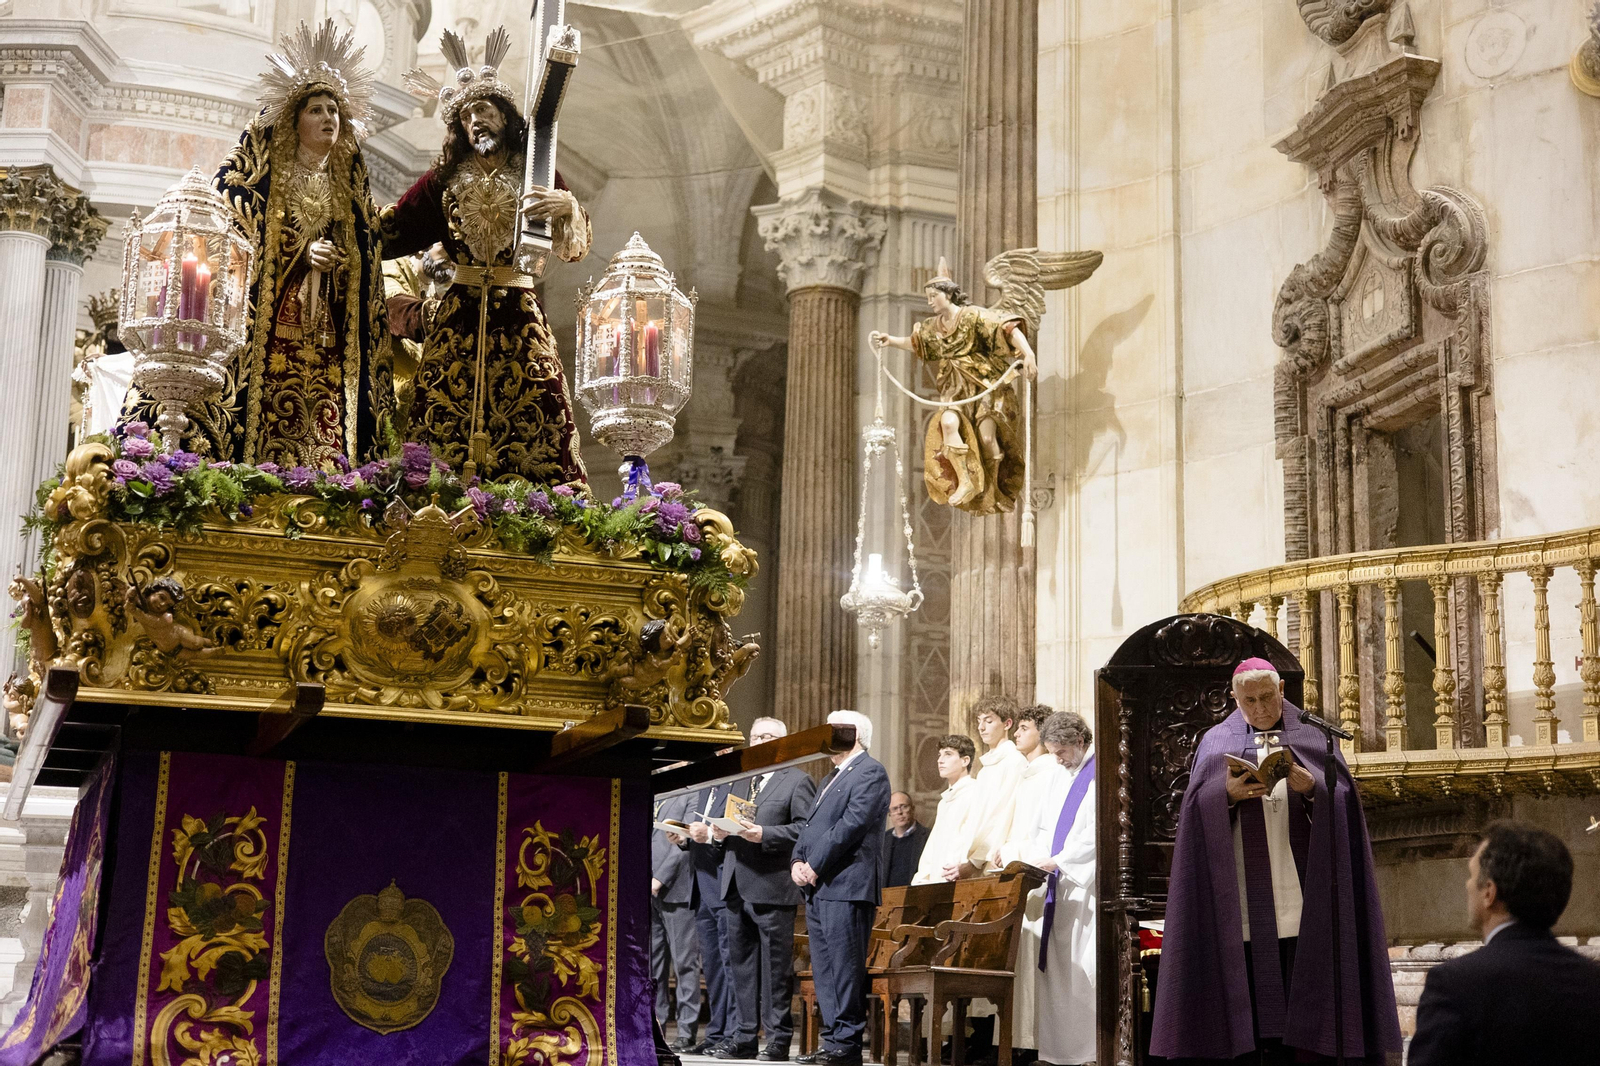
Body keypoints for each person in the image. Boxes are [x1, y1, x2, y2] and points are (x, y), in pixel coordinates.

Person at [1150, 658, 1401, 1063]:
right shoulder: (1216, 741)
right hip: (1244, 896)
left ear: (1282, 689)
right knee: (1250, 990)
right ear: (1234, 698)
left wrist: (1314, 788)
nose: (1261, 708)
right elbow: (1195, 813)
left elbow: (1345, 805)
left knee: (1304, 989)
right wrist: (1225, 796)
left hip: (1302, 890)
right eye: (1249, 701)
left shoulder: (1314, 737)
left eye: (1267, 697)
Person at [385, 26, 591, 482]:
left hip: (518, 307)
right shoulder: (443, 179)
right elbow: (393, 229)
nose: (475, 120)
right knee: (439, 413)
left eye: (484, 109)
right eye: (465, 116)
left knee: (541, 403)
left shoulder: (535, 167)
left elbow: (575, 248)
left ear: (505, 116)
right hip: (457, 312)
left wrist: (567, 207)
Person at [200, 19, 394, 465]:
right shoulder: (264, 181)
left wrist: (342, 263)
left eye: (333, 110)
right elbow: (231, 223)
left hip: (329, 336)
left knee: (327, 421)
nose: (328, 117)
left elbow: (368, 260)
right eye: (316, 109)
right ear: (294, 120)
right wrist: (300, 251)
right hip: (269, 332)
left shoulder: (350, 190)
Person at [1408, 820, 1600, 1066]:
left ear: (1489, 892)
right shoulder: (1592, 981)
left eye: (1471, 875)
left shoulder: (1454, 984)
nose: (1467, 885)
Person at [711, 718, 818, 1062]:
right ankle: (744, 1035)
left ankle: (778, 1039)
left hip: (772, 885)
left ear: (782, 743)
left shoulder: (797, 780)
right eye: (756, 736)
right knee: (740, 965)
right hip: (735, 885)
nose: (760, 741)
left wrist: (765, 834)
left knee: (775, 970)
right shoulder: (742, 781)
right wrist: (718, 834)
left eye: (769, 736)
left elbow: (805, 828)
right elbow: (721, 824)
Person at [791, 710, 891, 1066]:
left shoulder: (871, 772)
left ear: (854, 734)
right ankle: (833, 1041)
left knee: (845, 967)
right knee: (826, 969)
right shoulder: (830, 778)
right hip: (820, 885)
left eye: (832, 730)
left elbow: (851, 825)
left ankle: (846, 1045)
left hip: (847, 883)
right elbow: (810, 828)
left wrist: (814, 863)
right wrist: (797, 862)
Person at [992, 704, 1064, 1059]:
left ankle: (1034, 1042)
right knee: (1020, 956)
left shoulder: (1052, 771)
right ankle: (1018, 1041)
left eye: (1024, 727)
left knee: (1037, 955)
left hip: (1038, 872)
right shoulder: (1029, 772)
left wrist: (1018, 851)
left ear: (1042, 730)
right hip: (1019, 867)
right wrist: (1004, 848)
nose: (1017, 734)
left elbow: (1046, 829)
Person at [1031, 711, 1096, 1066]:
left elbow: (1096, 830)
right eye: (1053, 752)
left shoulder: (1099, 771)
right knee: (1058, 968)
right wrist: (1038, 857)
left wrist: (1063, 860)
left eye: (1061, 751)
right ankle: (1056, 1052)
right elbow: (1044, 825)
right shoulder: (1060, 774)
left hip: (1084, 886)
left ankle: (1086, 1051)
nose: (1057, 759)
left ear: (1081, 741)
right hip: (1057, 883)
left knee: (1082, 968)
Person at [684, 778, 738, 1053]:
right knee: (713, 968)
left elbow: (733, 833)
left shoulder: (737, 786)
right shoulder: (706, 787)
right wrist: (684, 838)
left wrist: (711, 835)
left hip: (723, 884)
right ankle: (716, 1033)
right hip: (701, 886)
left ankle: (732, 1033)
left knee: (730, 964)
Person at [959, 694, 1030, 878]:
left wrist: (977, 861)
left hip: (993, 857)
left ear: (1007, 724)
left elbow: (1002, 815)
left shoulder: (1014, 762)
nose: (981, 727)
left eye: (988, 721)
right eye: (979, 721)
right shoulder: (986, 769)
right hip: (974, 857)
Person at [652, 792, 702, 1051]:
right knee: (653, 965)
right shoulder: (656, 789)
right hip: (647, 891)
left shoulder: (691, 793)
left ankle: (686, 1029)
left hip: (676, 889)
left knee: (684, 963)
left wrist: (659, 879)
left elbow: (683, 843)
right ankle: (656, 1025)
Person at [912, 734, 978, 885]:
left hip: (959, 878)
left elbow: (971, 838)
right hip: (938, 880)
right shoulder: (945, 801)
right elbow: (934, 845)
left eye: (948, 754)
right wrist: (922, 877)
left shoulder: (975, 792)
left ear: (965, 760)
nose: (940, 760)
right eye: (940, 755)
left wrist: (962, 866)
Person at [881, 792, 930, 889]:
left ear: (912, 809)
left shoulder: (928, 837)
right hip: (887, 900)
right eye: (894, 809)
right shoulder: (882, 841)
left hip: (917, 897)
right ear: (889, 814)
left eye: (903, 806)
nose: (899, 812)